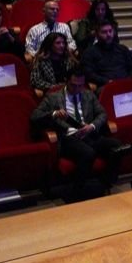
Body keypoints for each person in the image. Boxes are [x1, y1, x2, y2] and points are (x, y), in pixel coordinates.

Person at [31, 67, 122, 200]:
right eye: (74, 85)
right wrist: (54, 113)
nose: (77, 89)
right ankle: (77, 192)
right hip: (69, 138)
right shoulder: (53, 97)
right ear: (66, 81)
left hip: (89, 134)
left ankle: (104, 183)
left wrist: (91, 126)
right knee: (88, 153)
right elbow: (35, 116)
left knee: (117, 146)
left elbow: (102, 114)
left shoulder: (88, 94)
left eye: (80, 85)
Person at [82, 20, 132, 86]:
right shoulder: (90, 52)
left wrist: (128, 80)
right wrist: (107, 81)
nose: (108, 34)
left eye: (110, 31)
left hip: (126, 84)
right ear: (97, 35)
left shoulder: (123, 49)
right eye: (104, 32)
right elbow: (89, 74)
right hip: (106, 86)